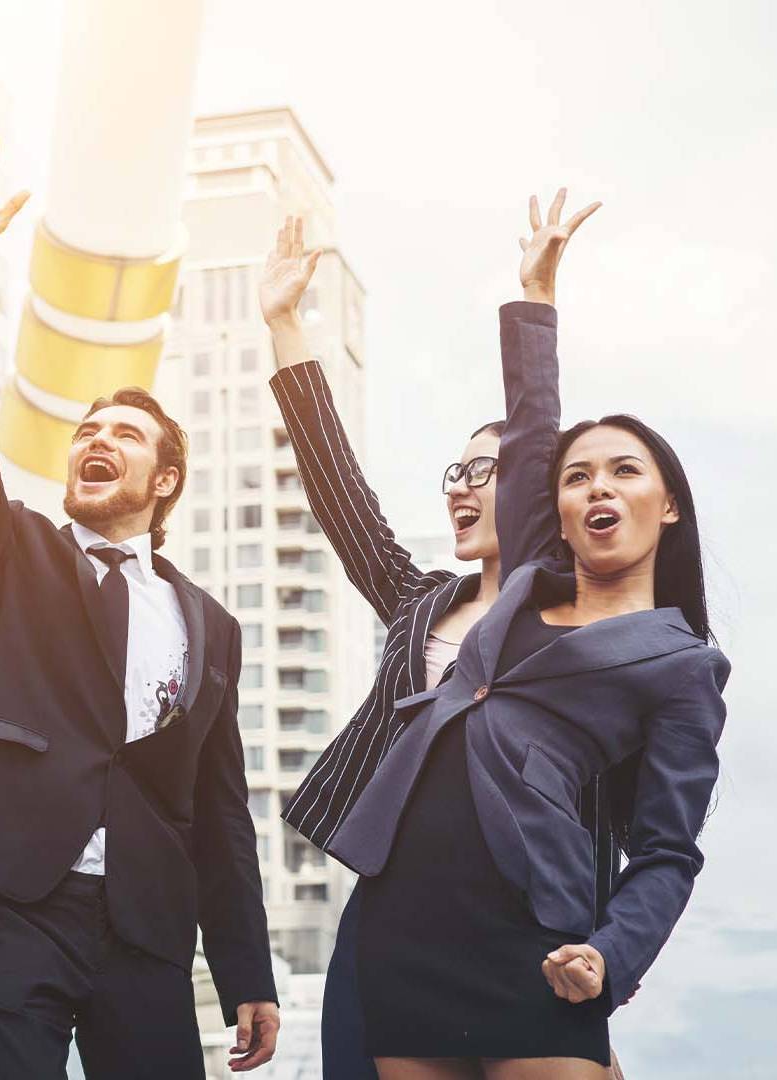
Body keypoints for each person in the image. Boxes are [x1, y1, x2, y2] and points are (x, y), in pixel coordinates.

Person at [328, 192, 730, 1079]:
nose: (597, 488)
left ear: (666, 507)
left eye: (625, 472)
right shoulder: (517, 592)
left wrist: (612, 956)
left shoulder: (683, 667)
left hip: (536, 937)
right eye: (577, 475)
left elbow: (667, 848)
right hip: (406, 923)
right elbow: (533, 426)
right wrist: (536, 297)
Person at [0, 126, 279, 1079]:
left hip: (147, 927)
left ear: (165, 481)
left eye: (122, 432)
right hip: (17, 898)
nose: (94, 440)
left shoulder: (212, 628)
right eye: (87, 429)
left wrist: (246, 967)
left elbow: (221, 806)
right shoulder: (13, 552)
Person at [264, 205, 623, 1079]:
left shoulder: (573, 621)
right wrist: (284, 326)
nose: (458, 488)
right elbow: (338, 488)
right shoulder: (418, 603)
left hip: (530, 912)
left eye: (482, 471)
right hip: (399, 908)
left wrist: (536, 297)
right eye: (451, 473)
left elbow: (611, 792)